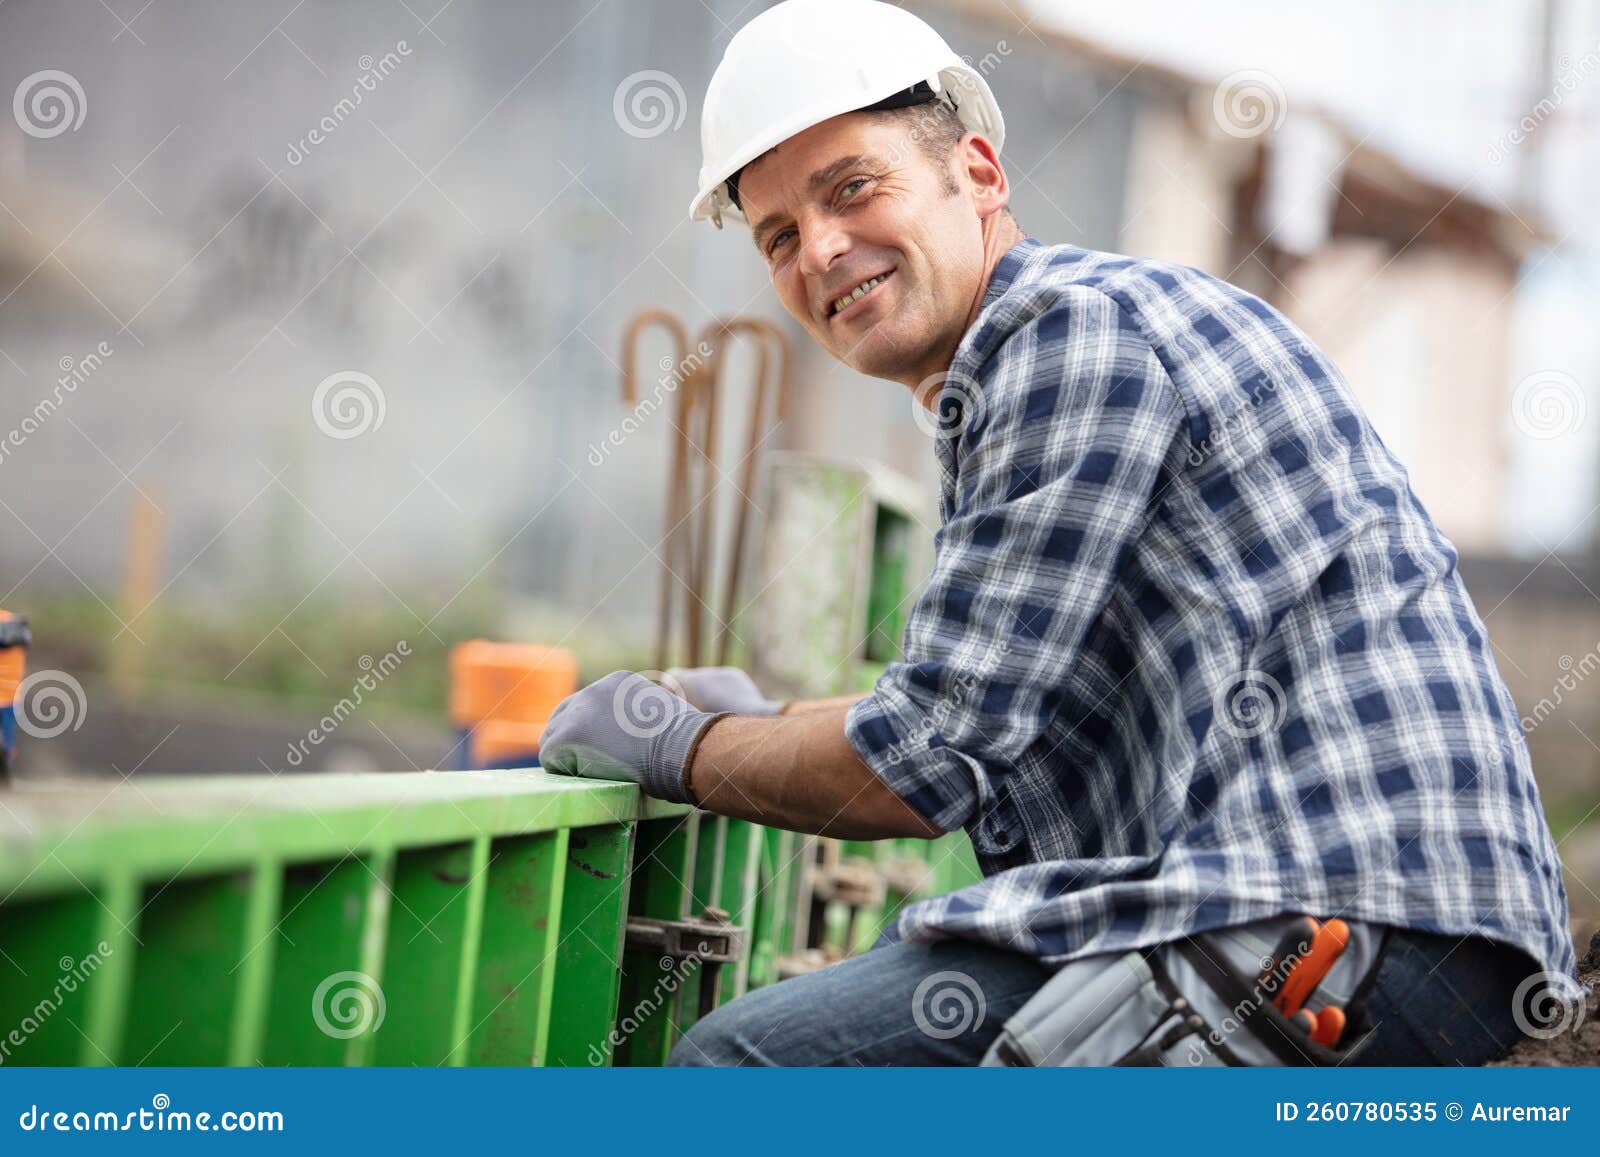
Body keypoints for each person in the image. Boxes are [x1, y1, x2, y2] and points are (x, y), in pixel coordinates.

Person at [540, 0, 1581, 1065]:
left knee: (740, 1068)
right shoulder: (1075, 345)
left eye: (851, 187)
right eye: (778, 236)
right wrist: (779, 714)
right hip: (1404, 934)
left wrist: (682, 747)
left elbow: (924, 762)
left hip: (1331, 925)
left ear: (979, 174)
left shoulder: (1066, 334)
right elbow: (990, 708)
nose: (821, 249)